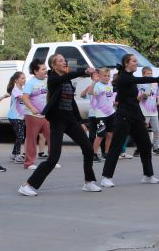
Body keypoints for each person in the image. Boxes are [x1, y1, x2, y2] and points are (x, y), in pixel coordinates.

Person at [18, 54, 101, 196]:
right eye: (60, 60)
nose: (64, 62)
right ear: (54, 65)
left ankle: (89, 182)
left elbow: (72, 102)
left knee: (88, 149)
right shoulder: (53, 79)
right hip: (58, 121)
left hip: (70, 120)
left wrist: (80, 122)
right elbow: (64, 78)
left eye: (64, 59)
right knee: (53, 158)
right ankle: (28, 185)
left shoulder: (66, 81)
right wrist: (84, 71)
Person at [101, 54, 159, 188]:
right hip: (123, 117)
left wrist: (141, 116)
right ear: (126, 63)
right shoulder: (123, 78)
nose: (136, 63)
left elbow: (133, 100)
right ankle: (106, 177)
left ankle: (148, 175)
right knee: (116, 146)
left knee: (145, 145)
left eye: (136, 61)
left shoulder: (130, 77)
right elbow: (141, 80)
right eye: (134, 61)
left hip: (135, 116)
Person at [21, 59, 57, 170]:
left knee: (52, 137)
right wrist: (32, 108)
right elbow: (25, 98)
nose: (46, 71)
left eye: (46, 68)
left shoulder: (48, 80)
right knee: (32, 139)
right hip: (33, 116)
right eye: (43, 69)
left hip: (46, 115)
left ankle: (52, 161)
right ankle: (29, 163)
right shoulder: (30, 83)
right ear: (35, 71)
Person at [88, 68, 115, 163]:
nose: (107, 77)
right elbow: (90, 92)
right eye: (105, 76)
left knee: (110, 134)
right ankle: (94, 154)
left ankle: (106, 153)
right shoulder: (97, 85)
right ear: (100, 76)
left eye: (108, 76)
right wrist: (94, 82)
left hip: (111, 113)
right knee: (100, 135)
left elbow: (110, 97)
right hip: (101, 114)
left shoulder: (110, 85)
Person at [137, 66, 159, 156]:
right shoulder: (140, 84)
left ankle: (156, 148)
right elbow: (139, 97)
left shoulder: (155, 83)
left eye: (151, 73)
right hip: (144, 110)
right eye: (148, 74)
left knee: (156, 130)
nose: (150, 75)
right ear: (143, 74)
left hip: (153, 110)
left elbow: (157, 94)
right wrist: (144, 95)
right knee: (143, 131)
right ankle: (140, 148)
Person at [7, 71, 26, 164]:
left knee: (20, 135)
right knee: (20, 136)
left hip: (20, 117)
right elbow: (22, 98)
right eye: (22, 78)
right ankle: (17, 155)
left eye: (24, 78)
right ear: (16, 80)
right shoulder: (15, 90)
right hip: (14, 116)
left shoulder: (22, 89)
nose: (24, 80)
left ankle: (14, 154)